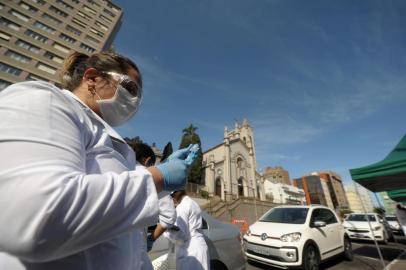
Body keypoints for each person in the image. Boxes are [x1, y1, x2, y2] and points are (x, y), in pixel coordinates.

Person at [0, 52, 195, 270]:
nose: (135, 102)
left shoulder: (114, 142)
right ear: (92, 78)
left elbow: (126, 239)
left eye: (139, 97)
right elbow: (34, 216)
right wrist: (157, 178)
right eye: (130, 88)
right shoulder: (43, 100)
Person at [128, 142, 177, 270]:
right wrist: (151, 239)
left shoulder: (115, 170)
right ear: (148, 161)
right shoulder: (150, 176)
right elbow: (169, 217)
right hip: (135, 253)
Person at [164, 190, 210, 270]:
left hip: (191, 250)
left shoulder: (182, 207)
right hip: (199, 248)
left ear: (174, 196)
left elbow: (181, 234)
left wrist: (165, 232)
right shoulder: (192, 203)